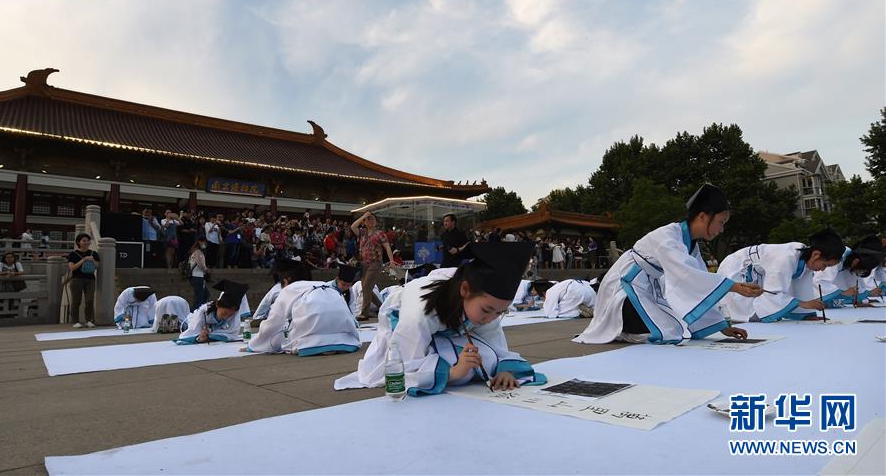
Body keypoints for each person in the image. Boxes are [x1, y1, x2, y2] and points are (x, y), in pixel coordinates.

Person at [335, 242, 546, 395]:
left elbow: (494, 348)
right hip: (401, 320)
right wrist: (453, 374)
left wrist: (504, 370)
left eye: (500, 312)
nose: (490, 318)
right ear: (465, 290)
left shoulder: (483, 307)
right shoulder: (420, 312)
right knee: (442, 362)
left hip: (453, 315)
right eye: (487, 310)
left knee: (479, 357)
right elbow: (407, 365)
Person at [573, 184, 762, 345]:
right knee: (671, 328)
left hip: (645, 290)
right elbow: (687, 276)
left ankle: (626, 325)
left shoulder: (690, 245)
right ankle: (619, 324)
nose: (721, 229)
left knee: (679, 323)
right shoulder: (668, 237)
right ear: (703, 216)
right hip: (624, 292)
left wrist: (722, 328)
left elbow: (699, 286)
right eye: (720, 222)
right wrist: (735, 287)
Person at [718, 228, 844, 322]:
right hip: (737, 267)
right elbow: (774, 293)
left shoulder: (806, 261)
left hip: (756, 274)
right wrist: (801, 304)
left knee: (763, 309)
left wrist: (806, 314)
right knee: (742, 312)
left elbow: (802, 291)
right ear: (816, 254)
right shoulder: (785, 258)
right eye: (825, 265)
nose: (822, 270)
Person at [245, 263, 360, 356]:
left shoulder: (289, 289)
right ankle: (334, 342)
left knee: (292, 332)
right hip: (346, 338)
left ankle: (319, 343)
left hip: (311, 339)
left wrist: (255, 344)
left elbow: (275, 320)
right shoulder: (324, 285)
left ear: (286, 280)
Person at [350, 211, 398, 321]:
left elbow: (387, 247)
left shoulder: (379, 233)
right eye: (368, 219)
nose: (371, 221)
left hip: (375, 263)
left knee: (366, 287)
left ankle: (364, 313)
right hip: (363, 264)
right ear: (364, 222)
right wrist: (364, 216)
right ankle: (382, 308)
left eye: (373, 219)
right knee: (367, 289)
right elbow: (353, 226)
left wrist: (391, 261)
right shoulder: (362, 232)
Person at [814, 235, 885, 306]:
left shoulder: (851, 263)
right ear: (856, 261)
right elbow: (819, 283)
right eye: (860, 270)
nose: (857, 273)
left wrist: (860, 299)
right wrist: (841, 293)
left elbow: (857, 287)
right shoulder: (835, 257)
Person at [176, 280, 250, 344]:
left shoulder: (232, 313)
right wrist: (199, 338)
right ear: (218, 305)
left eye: (230, 315)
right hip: (191, 322)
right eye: (224, 313)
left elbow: (232, 332)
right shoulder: (203, 313)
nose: (226, 317)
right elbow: (188, 335)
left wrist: (212, 333)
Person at [67, 233, 99, 328]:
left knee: (90, 299)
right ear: (78, 242)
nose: (86, 242)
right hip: (77, 279)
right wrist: (83, 260)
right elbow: (72, 268)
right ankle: (75, 321)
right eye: (84, 240)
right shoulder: (73, 254)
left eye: (88, 240)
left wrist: (93, 260)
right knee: (76, 301)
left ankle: (89, 320)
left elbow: (97, 266)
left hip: (90, 279)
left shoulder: (94, 253)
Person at [187, 239, 211, 311]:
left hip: (198, 277)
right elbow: (200, 263)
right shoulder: (197, 252)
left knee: (206, 295)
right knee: (199, 297)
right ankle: (193, 313)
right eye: (204, 242)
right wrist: (206, 270)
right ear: (200, 242)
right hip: (197, 277)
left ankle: (199, 310)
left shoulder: (195, 252)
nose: (205, 244)